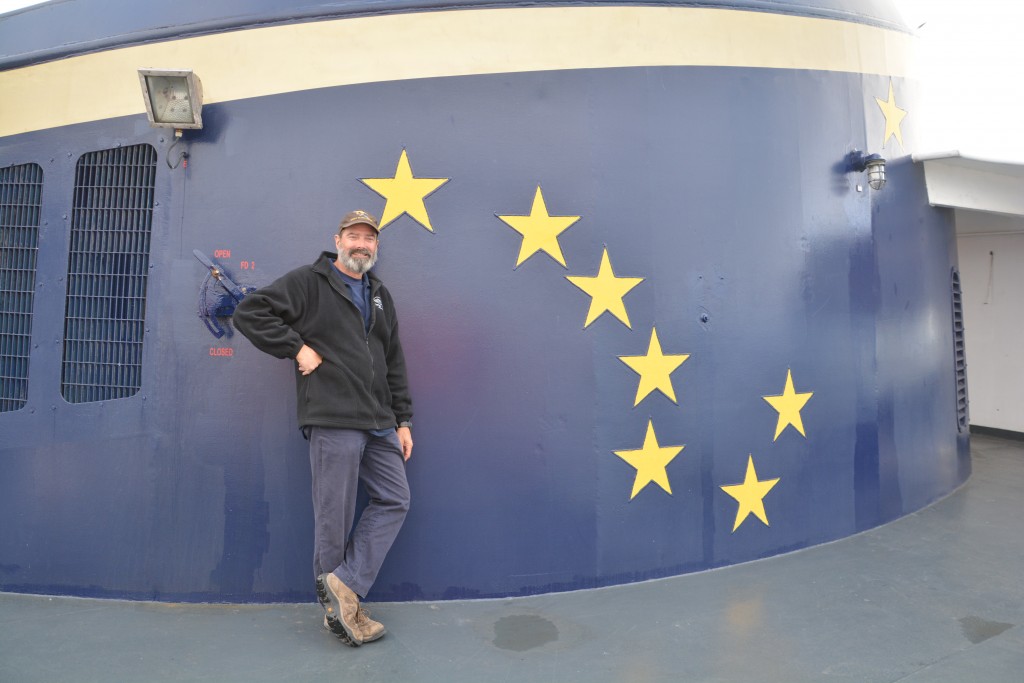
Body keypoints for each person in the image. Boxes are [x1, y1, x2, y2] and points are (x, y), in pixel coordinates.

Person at [233, 210, 413, 647]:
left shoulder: (379, 294)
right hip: (332, 417)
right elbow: (249, 313)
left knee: (395, 499)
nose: (361, 244)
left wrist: (403, 419)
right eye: (354, 236)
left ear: (375, 247)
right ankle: (342, 613)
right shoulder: (309, 282)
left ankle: (345, 585)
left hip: (379, 422)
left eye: (369, 239)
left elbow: (393, 361)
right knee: (335, 517)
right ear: (338, 240)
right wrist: (297, 348)